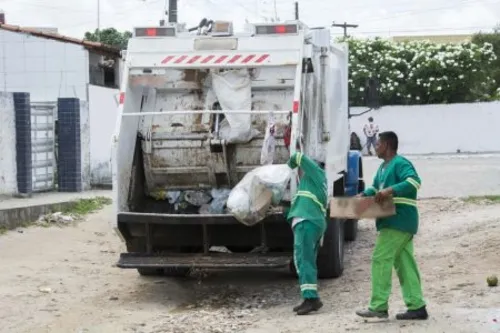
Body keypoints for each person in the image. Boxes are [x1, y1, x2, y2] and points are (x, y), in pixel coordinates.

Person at [355, 131, 428, 320]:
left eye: (378, 144)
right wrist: (364, 194)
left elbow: (414, 182)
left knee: (380, 258)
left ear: (387, 145)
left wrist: (389, 190)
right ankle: (417, 306)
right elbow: (375, 188)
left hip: (399, 220)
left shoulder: (400, 163)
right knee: (405, 264)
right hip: (395, 221)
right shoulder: (382, 168)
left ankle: (378, 306)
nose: (375, 147)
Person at [286, 151, 327, 316]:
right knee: (307, 260)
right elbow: (299, 205)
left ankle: (310, 298)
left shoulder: (317, 173)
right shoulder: (311, 183)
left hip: (307, 222)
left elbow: (298, 157)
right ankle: (310, 297)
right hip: (310, 222)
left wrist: (287, 167)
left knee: (304, 260)